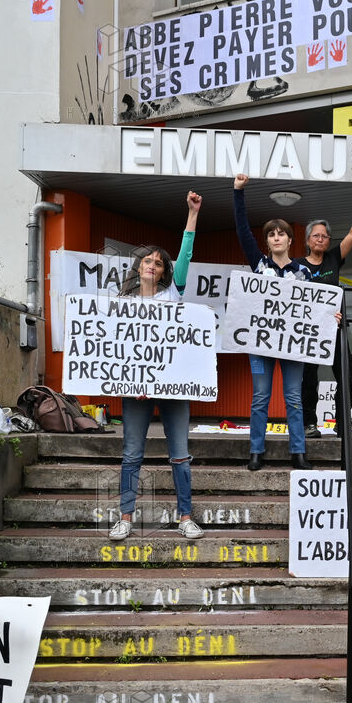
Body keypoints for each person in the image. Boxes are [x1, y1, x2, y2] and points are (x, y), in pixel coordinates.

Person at [109, 190, 204, 541]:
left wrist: (192, 214)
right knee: (131, 454)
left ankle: (185, 517)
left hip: (173, 388)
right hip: (135, 389)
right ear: (138, 267)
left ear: (164, 272)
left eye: (159, 263)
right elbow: (115, 350)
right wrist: (133, 380)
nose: (152, 265)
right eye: (147, 261)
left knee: (180, 455)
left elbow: (186, 253)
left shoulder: (172, 295)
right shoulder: (121, 304)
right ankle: (125, 518)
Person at [232, 174, 315, 470]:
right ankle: (256, 451)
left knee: (293, 397)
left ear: (290, 240)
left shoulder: (304, 272)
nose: (276, 237)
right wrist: (238, 192)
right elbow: (242, 230)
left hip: (293, 345)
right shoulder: (259, 265)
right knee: (260, 397)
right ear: (266, 242)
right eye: (271, 234)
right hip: (260, 343)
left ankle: (298, 453)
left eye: (281, 234)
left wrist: (331, 316)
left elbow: (315, 308)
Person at [299, 197, 352, 437]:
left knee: (347, 375)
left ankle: (343, 423)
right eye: (316, 236)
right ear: (308, 240)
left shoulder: (333, 258)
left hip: (335, 328)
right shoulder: (296, 266)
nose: (321, 239)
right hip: (308, 332)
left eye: (325, 236)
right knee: (308, 378)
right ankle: (309, 424)